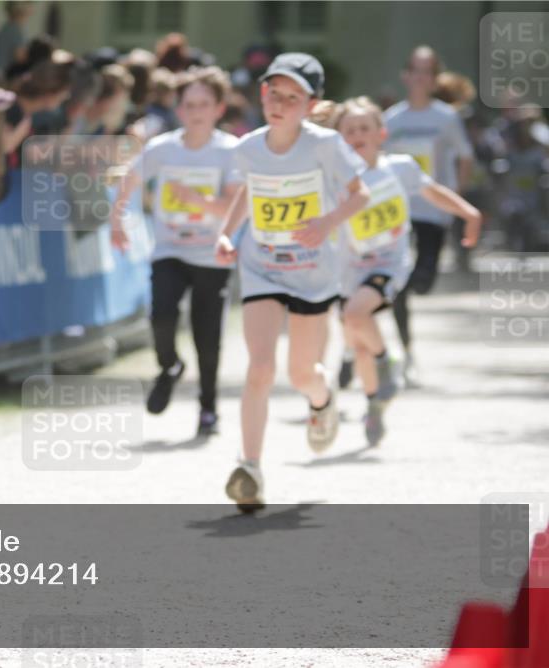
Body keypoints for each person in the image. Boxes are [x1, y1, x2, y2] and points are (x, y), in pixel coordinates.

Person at [215, 53, 370, 511]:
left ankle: (322, 402)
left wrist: (325, 223)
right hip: (261, 264)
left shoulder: (324, 146)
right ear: (263, 94)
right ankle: (250, 468)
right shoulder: (248, 148)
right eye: (274, 93)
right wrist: (227, 231)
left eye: (292, 97)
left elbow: (358, 196)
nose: (280, 104)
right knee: (260, 366)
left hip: (312, 272)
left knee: (302, 373)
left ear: (311, 104)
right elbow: (248, 188)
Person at [333, 97, 481, 445]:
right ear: (338, 139)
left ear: (381, 133)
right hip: (348, 269)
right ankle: (374, 404)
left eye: (364, 128)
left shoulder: (400, 168)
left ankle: (388, 361)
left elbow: (434, 193)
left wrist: (468, 213)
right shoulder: (333, 178)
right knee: (357, 340)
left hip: (388, 263)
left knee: (356, 316)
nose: (357, 135)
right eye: (349, 130)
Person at [111, 67, 241, 437]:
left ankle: (208, 409)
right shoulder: (163, 147)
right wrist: (116, 220)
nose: (195, 111)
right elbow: (129, 180)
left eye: (204, 104)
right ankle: (169, 366)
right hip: (169, 250)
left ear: (218, 108)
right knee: (161, 318)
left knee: (207, 335)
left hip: (211, 254)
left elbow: (232, 207)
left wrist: (196, 199)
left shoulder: (229, 151)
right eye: (188, 104)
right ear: (179, 108)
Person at [383, 46, 474, 387]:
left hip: (434, 212)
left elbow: (465, 157)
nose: (420, 77)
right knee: (400, 286)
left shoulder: (446, 118)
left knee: (422, 282)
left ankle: (398, 311)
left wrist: (457, 199)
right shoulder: (392, 119)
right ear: (406, 75)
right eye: (415, 71)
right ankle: (406, 354)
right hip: (399, 212)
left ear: (434, 79)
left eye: (427, 72)